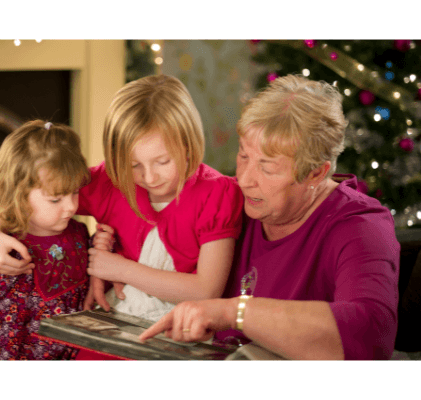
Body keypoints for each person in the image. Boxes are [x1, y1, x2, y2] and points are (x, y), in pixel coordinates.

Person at [138, 75, 401, 360]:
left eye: (267, 167)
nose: (244, 179)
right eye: (243, 156)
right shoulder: (228, 201)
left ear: (316, 173)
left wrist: (233, 312)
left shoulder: (361, 225)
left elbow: (370, 333)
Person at [0, 74, 242, 327]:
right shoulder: (111, 182)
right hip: (116, 317)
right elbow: (38, 197)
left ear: (188, 145)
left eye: (163, 161)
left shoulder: (217, 193)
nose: (149, 177)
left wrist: (119, 270)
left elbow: (206, 289)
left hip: (183, 326)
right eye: (133, 165)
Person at [0, 120, 94, 360]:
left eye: (74, 192)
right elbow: (1, 335)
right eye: (55, 199)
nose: (71, 207)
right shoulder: (10, 255)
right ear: (18, 195)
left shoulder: (79, 232)